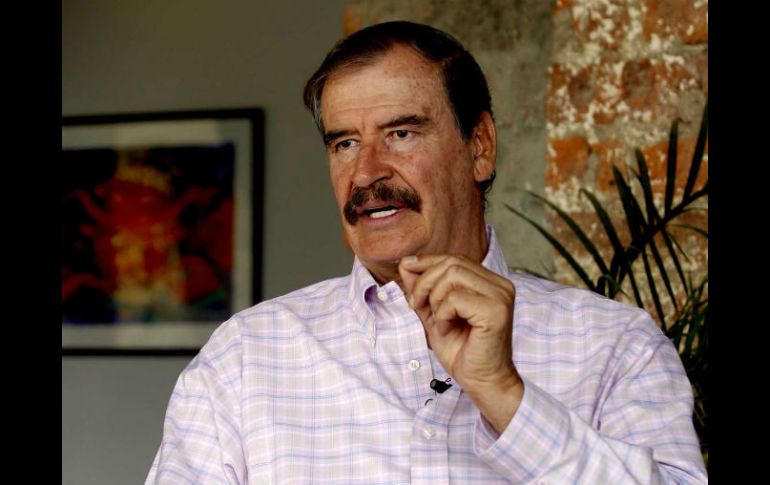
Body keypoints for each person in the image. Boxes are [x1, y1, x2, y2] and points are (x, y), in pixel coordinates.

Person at [146, 21, 707, 484]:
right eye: (345, 143)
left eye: (401, 134)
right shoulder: (244, 360)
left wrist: (507, 398)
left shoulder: (617, 347)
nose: (366, 173)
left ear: (479, 147)